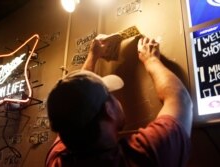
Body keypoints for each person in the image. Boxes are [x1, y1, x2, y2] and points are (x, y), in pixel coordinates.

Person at [45, 34, 193, 167]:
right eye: (111, 94)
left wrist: (92, 56)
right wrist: (152, 60)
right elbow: (180, 99)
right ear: (108, 110)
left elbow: (74, 106)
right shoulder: (145, 156)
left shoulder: (56, 160)